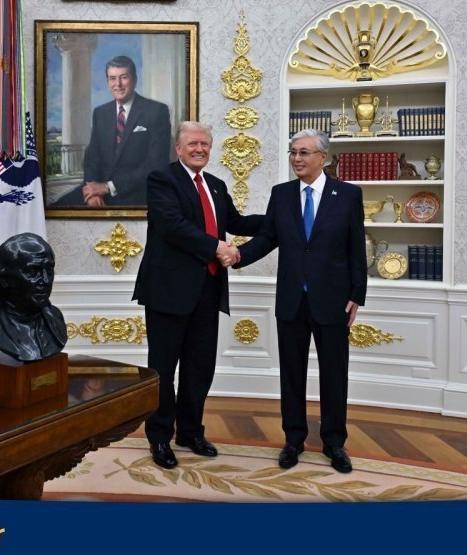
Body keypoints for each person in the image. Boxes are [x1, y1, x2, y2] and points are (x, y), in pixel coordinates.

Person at [132, 121, 263, 469]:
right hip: (168, 291)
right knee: (163, 369)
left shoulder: (216, 185)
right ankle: (160, 437)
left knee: (199, 367)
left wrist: (281, 218)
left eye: (205, 143)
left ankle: (190, 432)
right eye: (192, 143)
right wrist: (218, 247)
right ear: (178, 148)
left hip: (208, 289)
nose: (199, 149)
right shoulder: (162, 179)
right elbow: (173, 226)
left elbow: (236, 221)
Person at [235, 129, 367, 473]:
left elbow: (356, 246)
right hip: (292, 299)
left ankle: (334, 442)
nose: (297, 158)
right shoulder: (281, 195)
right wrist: (237, 256)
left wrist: (357, 295)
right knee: (291, 374)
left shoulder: (348, 195)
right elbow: (267, 238)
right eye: (293, 152)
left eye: (304, 152)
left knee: (334, 374)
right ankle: (293, 439)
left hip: (334, 301)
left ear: (323, 157)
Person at [80, 55, 172, 206]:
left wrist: (108, 187)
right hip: (99, 191)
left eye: (123, 77)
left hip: (137, 193)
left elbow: (156, 165)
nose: (118, 84)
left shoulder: (156, 111)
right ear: (107, 83)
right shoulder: (100, 113)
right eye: (112, 78)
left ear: (134, 80)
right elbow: (92, 158)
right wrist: (92, 191)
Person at [0, 233, 67, 362]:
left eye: (49, 270)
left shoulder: (55, 317)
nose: (46, 280)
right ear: (3, 279)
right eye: (32, 272)